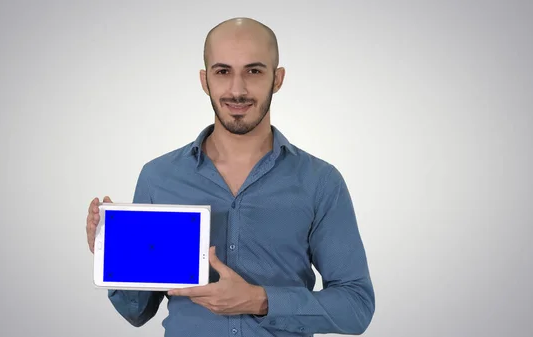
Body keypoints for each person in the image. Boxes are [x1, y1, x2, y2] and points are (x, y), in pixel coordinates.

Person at [85, 17, 375, 336]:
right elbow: (136, 311)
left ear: (277, 79)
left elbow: (355, 307)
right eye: (223, 71)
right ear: (205, 80)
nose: (237, 90)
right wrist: (111, 253)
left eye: (253, 71)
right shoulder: (159, 177)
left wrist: (260, 301)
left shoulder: (321, 182)